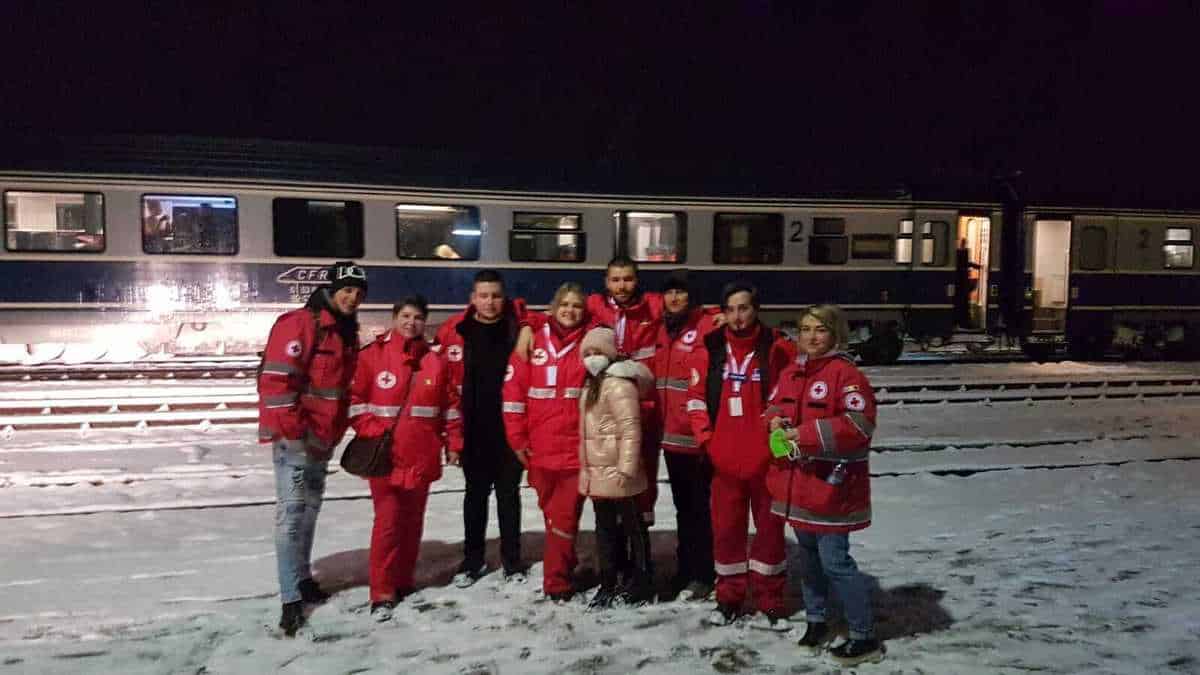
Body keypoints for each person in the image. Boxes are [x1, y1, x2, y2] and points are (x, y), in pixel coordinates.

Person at [765, 304, 883, 666]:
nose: (811, 337)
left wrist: (801, 434)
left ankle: (864, 637)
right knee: (809, 561)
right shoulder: (791, 372)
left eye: (820, 330)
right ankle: (816, 622)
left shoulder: (846, 375)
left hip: (832, 490)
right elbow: (770, 408)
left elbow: (859, 425)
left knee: (836, 563)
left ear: (835, 334)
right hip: (799, 488)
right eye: (805, 330)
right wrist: (773, 422)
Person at [257, 260, 366, 637]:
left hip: (322, 440)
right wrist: (296, 431)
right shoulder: (301, 324)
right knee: (290, 516)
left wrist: (332, 434)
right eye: (346, 290)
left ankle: (302, 579)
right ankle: (290, 600)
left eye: (357, 292)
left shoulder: (345, 333)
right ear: (331, 290)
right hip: (297, 440)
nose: (352, 297)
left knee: (308, 513)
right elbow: (275, 383)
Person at [685, 281, 796, 630]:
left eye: (744, 308)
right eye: (730, 309)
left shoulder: (777, 348)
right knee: (727, 533)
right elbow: (696, 400)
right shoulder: (710, 348)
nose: (737, 316)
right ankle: (729, 598)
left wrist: (779, 444)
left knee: (769, 533)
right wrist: (707, 441)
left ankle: (769, 600)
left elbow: (789, 399)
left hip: (767, 462)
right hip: (724, 462)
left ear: (756, 309)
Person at [349, 296, 462, 622]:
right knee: (387, 524)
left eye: (417, 317)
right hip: (386, 456)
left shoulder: (436, 361)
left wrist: (454, 442)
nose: (411, 323)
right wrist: (372, 429)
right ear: (395, 317)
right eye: (406, 316)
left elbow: (450, 407)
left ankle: (403, 581)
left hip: (422, 454)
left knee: (412, 525)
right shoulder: (372, 356)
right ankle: (381, 591)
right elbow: (355, 400)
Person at [436, 269, 529, 587]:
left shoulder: (518, 328)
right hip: (473, 431)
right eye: (484, 295)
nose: (490, 302)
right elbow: (444, 386)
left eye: (496, 296)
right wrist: (452, 437)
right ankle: (472, 561)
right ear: (472, 298)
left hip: (510, 431)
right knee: (474, 498)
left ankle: (512, 561)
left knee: (509, 497)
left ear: (505, 299)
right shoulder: (455, 331)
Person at [502, 283, 589, 601]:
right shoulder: (533, 342)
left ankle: (557, 583)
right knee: (552, 516)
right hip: (537, 451)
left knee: (564, 518)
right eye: (564, 304)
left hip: (575, 451)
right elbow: (513, 396)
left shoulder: (590, 342)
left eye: (577, 305)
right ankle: (566, 561)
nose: (570, 310)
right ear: (553, 308)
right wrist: (516, 439)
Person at [577, 327, 655, 608]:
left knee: (634, 530)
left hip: (621, 474)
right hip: (600, 473)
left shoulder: (618, 384)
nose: (592, 357)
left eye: (598, 352)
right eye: (587, 353)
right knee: (606, 532)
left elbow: (631, 428)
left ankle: (642, 583)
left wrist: (627, 468)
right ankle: (609, 582)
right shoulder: (593, 383)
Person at [653, 269, 720, 601]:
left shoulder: (706, 326)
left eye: (681, 292)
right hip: (671, 437)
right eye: (670, 292)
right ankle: (686, 568)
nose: (675, 298)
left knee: (699, 509)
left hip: (696, 437)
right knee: (684, 508)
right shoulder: (663, 329)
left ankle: (703, 573)